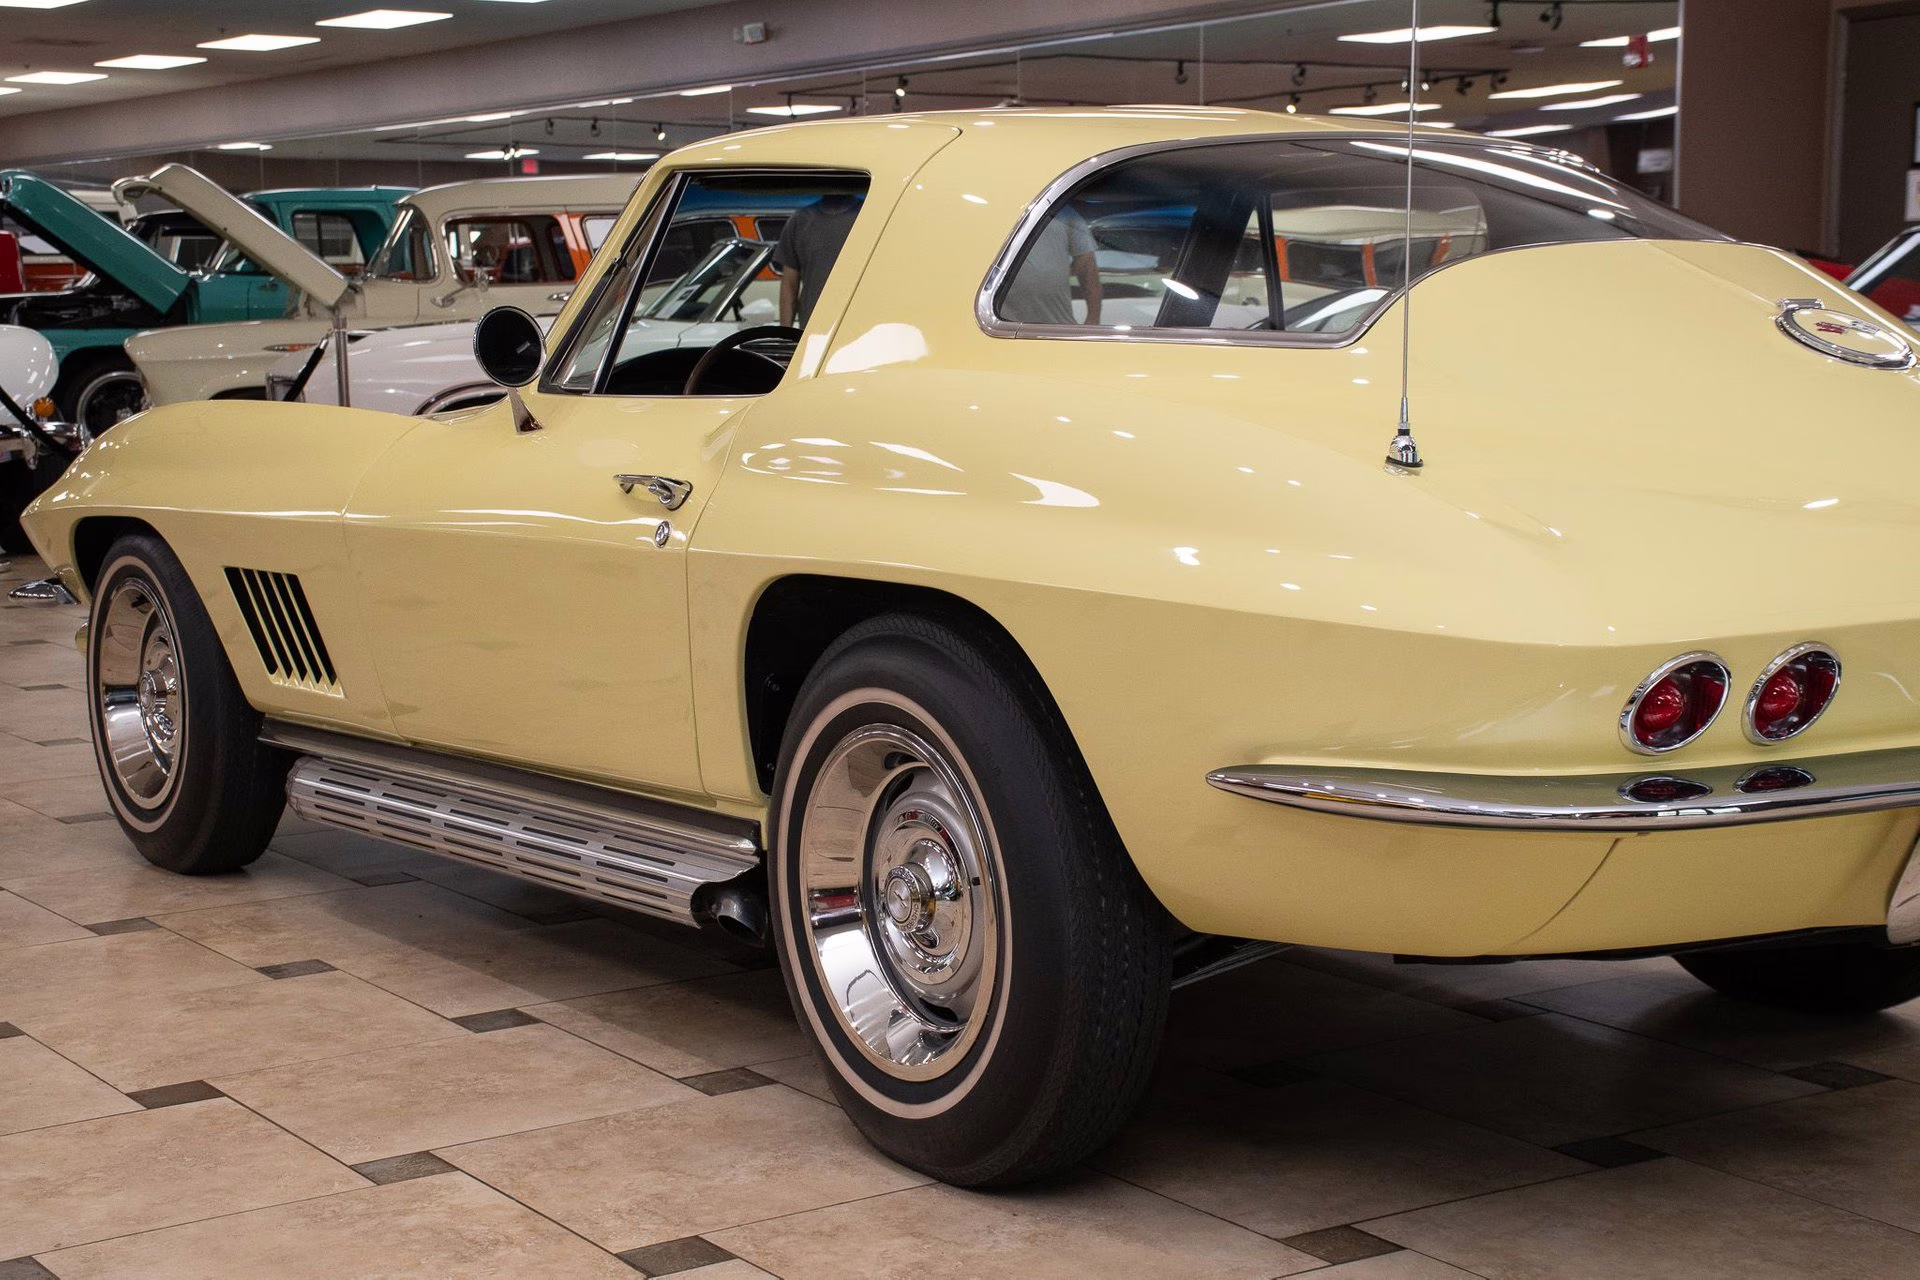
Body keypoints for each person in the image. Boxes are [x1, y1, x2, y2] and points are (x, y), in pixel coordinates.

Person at [998, 206, 1102, 325]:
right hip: (999, 324)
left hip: (1054, 326)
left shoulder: (1065, 212)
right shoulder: (997, 212)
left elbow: (1086, 264)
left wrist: (1093, 318)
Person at [774, 192, 863, 328]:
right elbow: (789, 285)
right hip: (812, 329)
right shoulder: (800, 221)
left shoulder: (870, 217)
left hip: (860, 328)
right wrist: (785, 337)